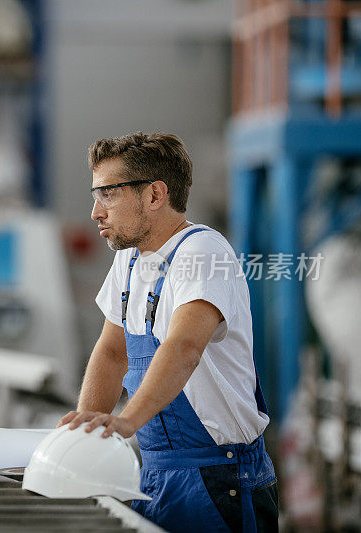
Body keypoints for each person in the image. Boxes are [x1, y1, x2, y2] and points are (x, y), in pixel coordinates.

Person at [58, 132, 277, 532]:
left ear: (155, 195)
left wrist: (128, 421)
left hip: (219, 479)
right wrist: (88, 426)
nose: (95, 212)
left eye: (107, 194)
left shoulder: (202, 253)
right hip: (157, 474)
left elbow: (184, 346)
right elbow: (112, 351)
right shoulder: (129, 262)